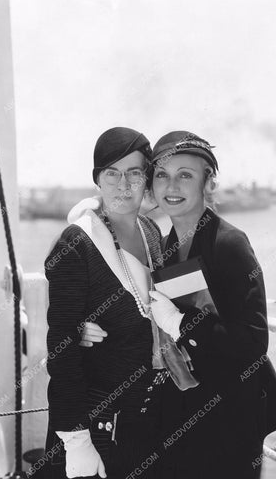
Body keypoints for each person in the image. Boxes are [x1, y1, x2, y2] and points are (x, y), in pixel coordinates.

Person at [82, 130, 276, 478]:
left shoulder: (228, 244)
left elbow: (253, 342)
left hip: (231, 413)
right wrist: (86, 325)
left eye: (185, 175)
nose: (172, 187)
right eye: (162, 176)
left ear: (207, 183)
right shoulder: (166, 242)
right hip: (186, 407)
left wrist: (182, 324)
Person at [41, 127, 167, 479]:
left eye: (134, 173)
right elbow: (61, 347)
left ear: (148, 179)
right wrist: (76, 440)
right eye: (112, 173)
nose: (123, 185)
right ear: (98, 179)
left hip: (145, 418)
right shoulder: (77, 242)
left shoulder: (151, 232)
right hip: (96, 425)